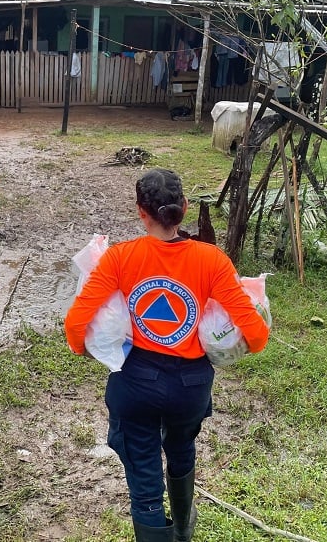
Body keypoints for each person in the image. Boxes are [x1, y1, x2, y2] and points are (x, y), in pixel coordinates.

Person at [63, 169, 270, 542]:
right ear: (185, 208)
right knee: (180, 447)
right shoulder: (212, 260)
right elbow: (255, 332)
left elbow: (77, 321)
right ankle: (183, 530)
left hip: (137, 383)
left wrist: (82, 349)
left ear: (140, 212)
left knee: (144, 477)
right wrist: (243, 346)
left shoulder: (120, 258)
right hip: (190, 386)